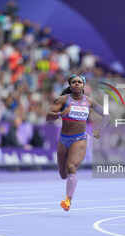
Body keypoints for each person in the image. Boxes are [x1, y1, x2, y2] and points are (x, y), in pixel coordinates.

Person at [46, 74, 109, 211]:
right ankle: (68, 191)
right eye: (74, 82)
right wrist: (61, 114)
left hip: (79, 139)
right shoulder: (62, 100)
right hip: (63, 139)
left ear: (83, 85)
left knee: (71, 167)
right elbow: (48, 118)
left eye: (79, 82)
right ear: (70, 85)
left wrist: (99, 130)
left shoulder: (89, 102)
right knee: (63, 174)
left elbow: (106, 115)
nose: (76, 84)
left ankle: (68, 200)